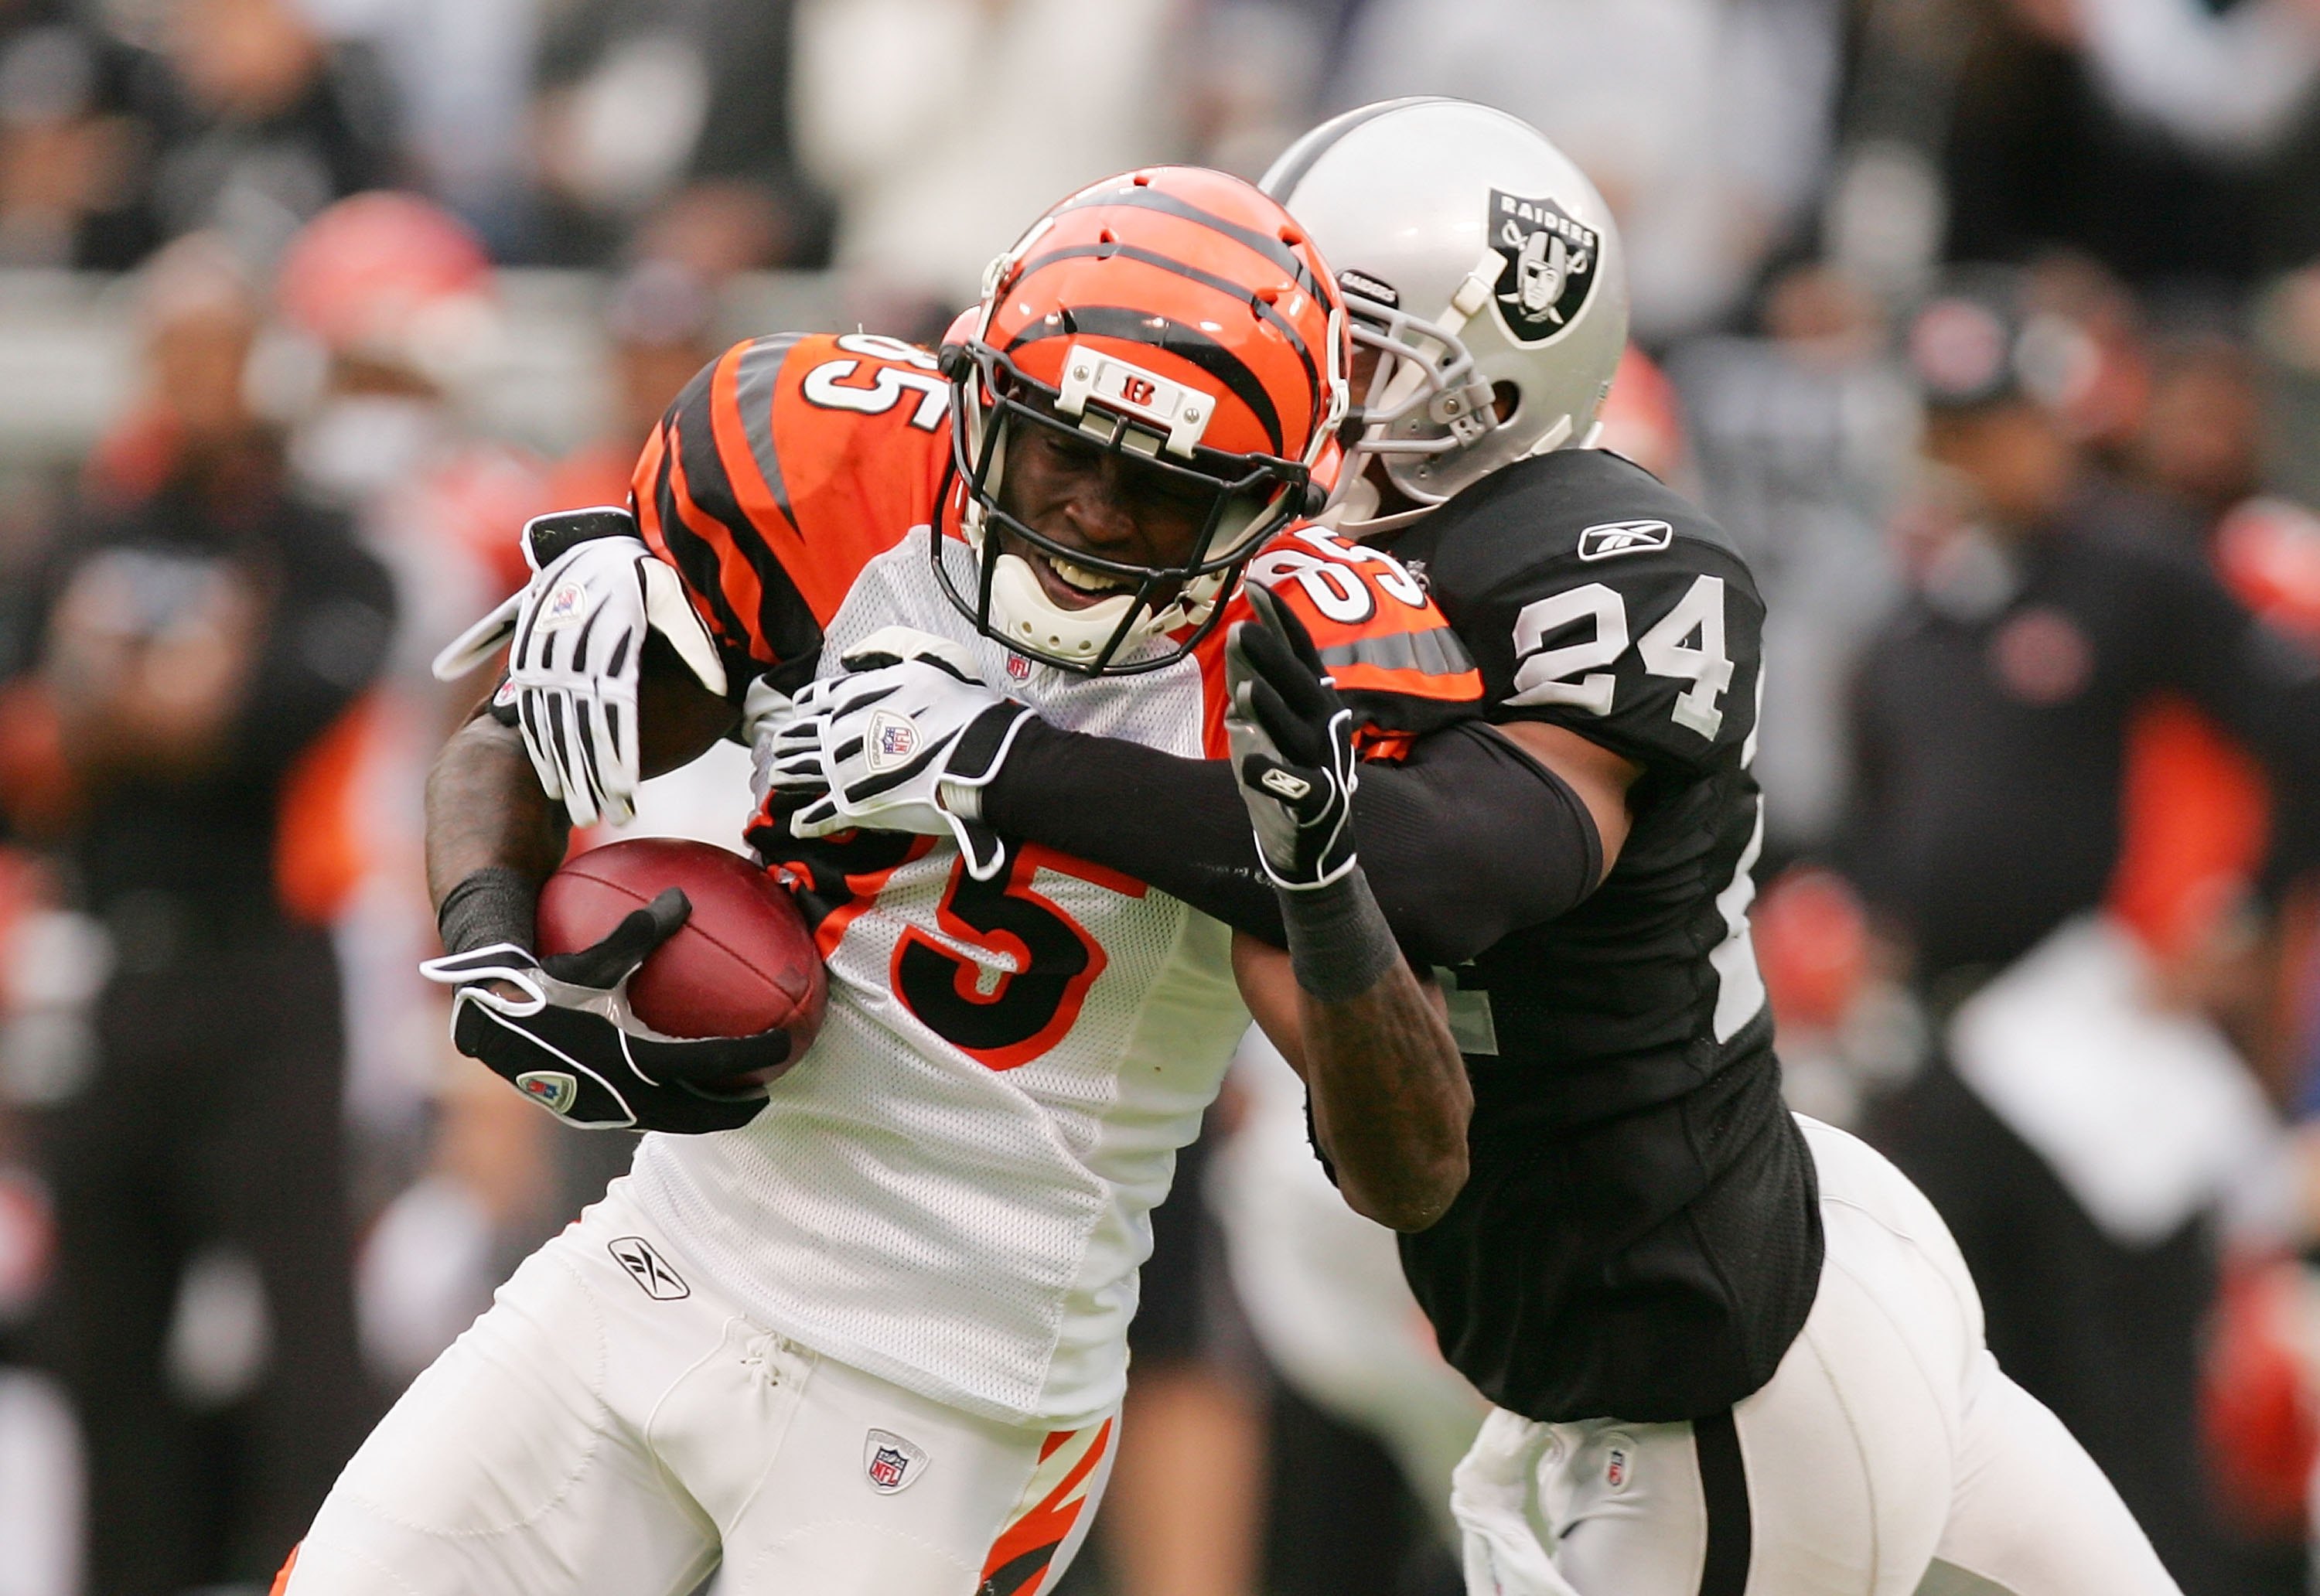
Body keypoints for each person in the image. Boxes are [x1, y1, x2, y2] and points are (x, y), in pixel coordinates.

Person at [769, 98, 2186, 1594]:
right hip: (1704, 1276)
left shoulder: (1602, 555)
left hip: (1708, 1353)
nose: (1291, 390)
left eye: (1349, 354)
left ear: (1489, 389)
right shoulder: (1268, 560)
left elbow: (1448, 868)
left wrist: (1006, 765)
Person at [278, 165, 1472, 1595]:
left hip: (953, 1395)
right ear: (978, 397)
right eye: (1056, 450)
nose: (1089, 514)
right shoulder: (838, 480)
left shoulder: (1290, 675)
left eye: (1156, 488)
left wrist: (1318, 869)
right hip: (665, 1259)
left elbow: (1413, 1167)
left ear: (1270, 505)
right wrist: (498, 942)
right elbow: (520, 737)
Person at [0, 232, 394, 1596]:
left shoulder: (320, 544)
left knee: (308, 1341)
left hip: (265, 976)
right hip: (114, 971)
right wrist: (147, 704)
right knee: (103, 1336)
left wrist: (124, 704)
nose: (197, 377)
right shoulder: (81, 530)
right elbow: (29, 761)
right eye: (174, 349)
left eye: (219, 346)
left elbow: (254, 719)